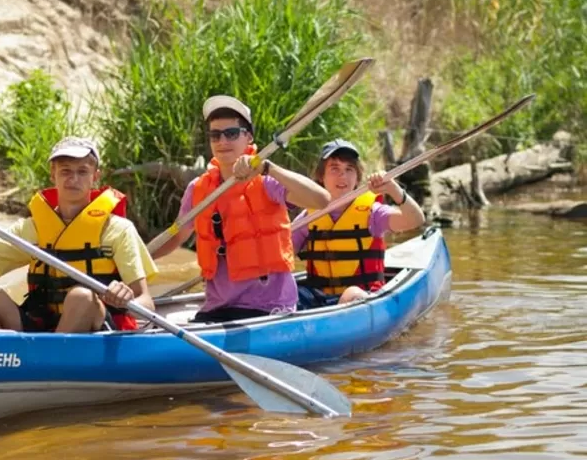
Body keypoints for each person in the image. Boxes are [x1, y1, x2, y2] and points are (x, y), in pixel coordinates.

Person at [0, 136, 158, 333]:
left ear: (95, 177)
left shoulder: (118, 229)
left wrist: (125, 298)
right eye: (65, 171)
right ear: (53, 174)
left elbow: (146, 303)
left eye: (82, 172)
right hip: (44, 324)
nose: (74, 179)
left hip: (95, 330)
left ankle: (48, 366)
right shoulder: (33, 228)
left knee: (81, 297)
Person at [151, 95, 332, 322]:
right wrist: (132, 263)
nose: (222, 141)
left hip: (268, 306)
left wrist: (269, 167)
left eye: (232, 133)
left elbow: (322, 200)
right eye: (215, 135)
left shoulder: (267, 181)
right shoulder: (198, 189)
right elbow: (176, 237)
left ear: (248, 137)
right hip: (218, 307)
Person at [292, 138, 426, 308]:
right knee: (287, 289)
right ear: (321, 176)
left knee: (352, 293)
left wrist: (393, 189)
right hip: (319, 300)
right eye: (335, 169)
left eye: (349, 169)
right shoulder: (308, 218)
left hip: (363, 298)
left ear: (357, 178)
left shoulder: (373, 214)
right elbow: (283, 255)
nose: (343, 176)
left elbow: (416, 220)